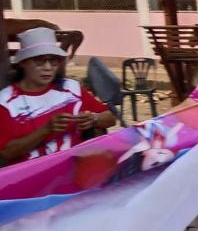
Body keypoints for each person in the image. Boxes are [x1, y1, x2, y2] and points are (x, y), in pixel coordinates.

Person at [0, 27, 114, 164]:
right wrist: (46, 130)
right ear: (23, 63)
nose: (48, 67)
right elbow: (6, 153)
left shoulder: (71, 88)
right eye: (39, 61)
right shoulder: (6, 101)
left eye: (53, 61)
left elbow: (111, 118)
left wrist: (94, 118)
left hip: (75, 169)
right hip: (31, 177)